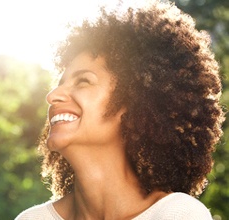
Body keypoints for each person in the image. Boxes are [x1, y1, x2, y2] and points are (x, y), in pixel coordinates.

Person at [16, 0, 225, 219]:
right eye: (59, 84)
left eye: (83, 81)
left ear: (135, 105)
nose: (52, 96)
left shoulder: (178, 214)